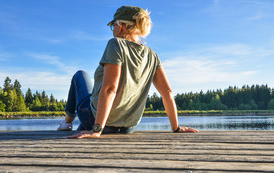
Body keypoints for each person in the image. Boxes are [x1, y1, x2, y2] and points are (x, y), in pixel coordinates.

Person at [58, 5, 199, 139]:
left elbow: (109, 89)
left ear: (120, 26)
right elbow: (167, 92)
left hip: (98, 120)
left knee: (80, 75)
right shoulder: (152, 55)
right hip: (129, 127)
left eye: (113, 26)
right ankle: (80, 128)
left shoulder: (116, 44)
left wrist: (97, 130)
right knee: (84, 122)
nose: (113, 30)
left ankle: (67, 122)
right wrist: (176, 127)